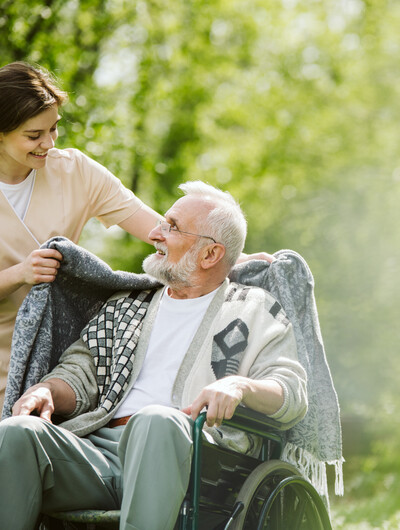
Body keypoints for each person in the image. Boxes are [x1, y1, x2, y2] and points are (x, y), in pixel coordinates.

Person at [0, 181, 308, 530]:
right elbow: (79, 372)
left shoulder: (256, 311)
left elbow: (292, 391)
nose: (156, 233)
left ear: (210, 254)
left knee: (156, 420)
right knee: (18, 432)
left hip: (197, 457)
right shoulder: (127, 306)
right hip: (101, 454)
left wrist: (241, 386)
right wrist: (48, 390)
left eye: (172, 227)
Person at [0, 61, 161, 406]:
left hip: (60, 360)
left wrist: (229, 252)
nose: (49, 143)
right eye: (34, 135)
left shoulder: (76, 172)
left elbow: (158, 230)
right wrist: (20, 274)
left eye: (54, 128)